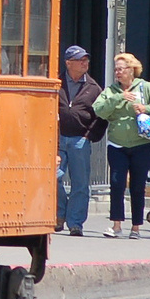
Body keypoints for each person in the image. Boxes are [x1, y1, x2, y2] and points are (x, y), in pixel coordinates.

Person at [93, 52, 150, 240]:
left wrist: (146, 108)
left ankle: (136, 227)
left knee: (137, 186)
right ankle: (116, 225)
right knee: (117, 184)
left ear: (131, 70)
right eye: (116, 69)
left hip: (142, 144)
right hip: (117, 144)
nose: (118, 73)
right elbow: (99, 110)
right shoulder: (111, 90)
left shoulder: (145, 87)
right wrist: (119, 98)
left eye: (121, 69)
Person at [56, 44, 103, 237]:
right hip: (57, 139)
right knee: (53, 177)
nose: (85, 63)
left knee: (80, 183)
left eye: (86, 59)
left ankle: (75, 223)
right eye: (80, 60)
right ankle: (59, 215)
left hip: (79, 140)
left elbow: (101, 117)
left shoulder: (93, 88)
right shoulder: (56, 83)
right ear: (68, 63)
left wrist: (88, 136)